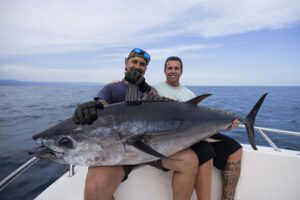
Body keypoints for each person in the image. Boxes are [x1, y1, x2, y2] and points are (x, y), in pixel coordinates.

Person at [73, 48, 199, 200]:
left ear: (146, 69)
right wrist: (93, 107)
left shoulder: (151, 91)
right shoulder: (112, 87)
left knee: (190, 161)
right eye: (134, 62)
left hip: (149, 149)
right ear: (126, 63)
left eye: (142, 64)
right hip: (116, 152)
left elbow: (164, 104)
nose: (138, 66)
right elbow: (102, 105)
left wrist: (145, 88)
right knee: (94, 190)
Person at [154, 56, 242, 200]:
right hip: (174, 137)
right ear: (164, 71)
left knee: (235, 148)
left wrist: (227, 125)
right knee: (206, 153)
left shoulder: (189, 94)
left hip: (195, 133)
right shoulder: (155, 89)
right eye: (170, 68)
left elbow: (200, 120)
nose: (173, 71)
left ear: (181, 71)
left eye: (176, 68)